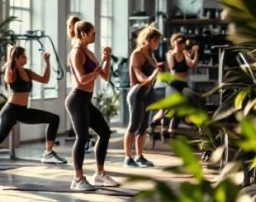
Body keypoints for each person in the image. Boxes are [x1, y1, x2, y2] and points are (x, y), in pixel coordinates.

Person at [0, 46, 68, 169]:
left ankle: (48, 153)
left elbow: (45, 79)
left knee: (54, 119)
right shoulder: (11, 72)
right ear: (16, 58)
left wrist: (47, 63)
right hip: (10, 111)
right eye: (23, 56)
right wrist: (10, 59)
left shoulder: (27, 72)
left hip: (23, 111)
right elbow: (7, 78)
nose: (26, 58)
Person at [65, 16, 119, 191]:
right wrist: (97, 70)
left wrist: (107, 58)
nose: (95, 36)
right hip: (77, 99)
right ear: (83, 34)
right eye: (93, 33)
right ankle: (78, 179)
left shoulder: (89, 52)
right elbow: (81, 79)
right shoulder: (76, 53)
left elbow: (105, 76)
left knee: (104, 132)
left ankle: (100, 174)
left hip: (86, 100)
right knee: (82, 137)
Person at [124, 25, 163, 168]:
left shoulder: (150, 54)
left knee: (144, 127)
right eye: (156, 41)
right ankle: (128, 158)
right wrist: (154, 73)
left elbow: (152, 76)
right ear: (148, 39)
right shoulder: (137, 54)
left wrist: (156, 69)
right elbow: (141, 77)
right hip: (137, 94)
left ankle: (139, 156)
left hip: (147, 94)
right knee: (133, 126)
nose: (157, 44)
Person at [151, 34, 199, 136]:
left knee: (182, 105)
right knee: (170, 106)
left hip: (183, 83)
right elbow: (172, 66)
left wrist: (196, 52)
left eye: (182, 44)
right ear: (174, 44)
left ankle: (171, 128)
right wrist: (176, 53)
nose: (180, 46)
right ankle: (158, 121)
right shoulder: (170, 54)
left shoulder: (185, 54)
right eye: (178, 44)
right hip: (173, 83)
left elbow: (192, 64)